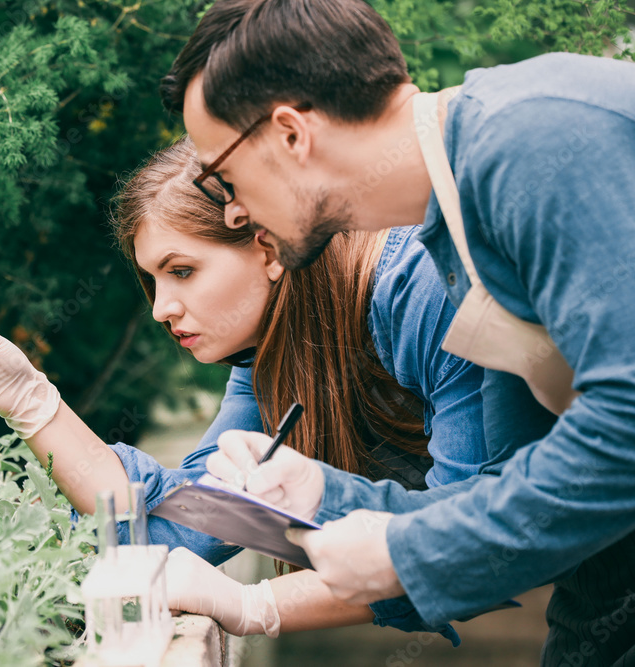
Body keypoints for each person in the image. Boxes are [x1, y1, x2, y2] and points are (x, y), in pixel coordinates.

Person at [161, 0, 635, 662]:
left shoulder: (531, 143)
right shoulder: (455, 226)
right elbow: (510, 491)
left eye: (221, 175)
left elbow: (626, 429)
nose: (233, 208)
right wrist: (328, 497)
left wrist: (400, 550)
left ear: (291, 133)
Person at [0, 137, 492, 641]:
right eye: (152, 279)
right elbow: (175, 529)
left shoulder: (418, 291)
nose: (160, 309)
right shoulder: (271, 357)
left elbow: (473, 547)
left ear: (268, 247)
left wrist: (256, 605)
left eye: (182, 271)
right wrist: (29, 400)